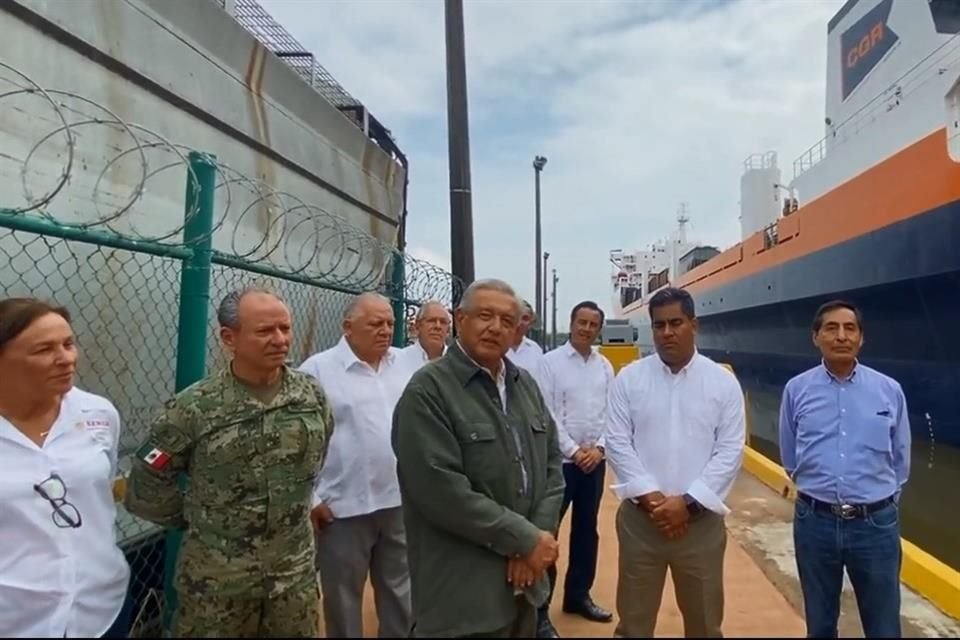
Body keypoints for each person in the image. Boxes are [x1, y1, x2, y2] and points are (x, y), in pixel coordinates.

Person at [124, 286, 334, 637]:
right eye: (265, 331)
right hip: (217, 586)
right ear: (229, 337)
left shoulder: (309, 395)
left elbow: (319, 454)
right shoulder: (195, 407)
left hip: (292, 580)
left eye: (285, 328)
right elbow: (147, 481)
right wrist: (203, 519)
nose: (280, 339)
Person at [391, 278, 565, 638]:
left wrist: (536, 537)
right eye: (485, 315)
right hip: (463, 597)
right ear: (460, 319)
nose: (495, 327)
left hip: (524, 590)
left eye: (506, 320)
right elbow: (441, 492)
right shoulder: (428, 391)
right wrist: (524, 540)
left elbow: (551, 468)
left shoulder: (525, 385)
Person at [604, 287, 745, 638]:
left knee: (704, 623)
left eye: (676, 323)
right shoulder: (630, 380)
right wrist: (654, 500)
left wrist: (688, 502)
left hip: (700, 527)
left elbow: (729, 451)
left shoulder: (722, 383)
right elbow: (618, 443)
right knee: (633, 624)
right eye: (659, 325)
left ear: (693, 325)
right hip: (641, 524)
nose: (667, 332)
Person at [0, 297, 131, 638]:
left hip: (101, 611)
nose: (66, 359)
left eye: (69, 344)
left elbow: (99, 489)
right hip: (15, 620)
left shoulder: (98, 414)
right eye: (44, 350)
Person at [779, 300, 911, 638]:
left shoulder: (888, 390)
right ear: (816, 337)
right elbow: (790, 452)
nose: (841, 336)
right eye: (831, 328)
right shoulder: (797, 390)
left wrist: (880, 501)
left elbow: (900, 457)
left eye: (849, 328)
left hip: (875, 525)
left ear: (861, 338)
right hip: (815, 522)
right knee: (820, 625)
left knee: (883, 626)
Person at [298, 292, 413, 638]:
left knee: (401, 595)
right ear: (348, 327)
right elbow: (297, 443)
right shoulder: (316, 371)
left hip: (398, 502)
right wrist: (311, 498)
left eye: (390, 323)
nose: (385, 330)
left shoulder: (404, 366)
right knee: (343, 600)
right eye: (375, 323)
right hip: (342, 509)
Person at [539, 301, 615, 636]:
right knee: (548, 533)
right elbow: (546, 412)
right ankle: (539, 610)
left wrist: (599, 448)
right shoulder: (550, 364)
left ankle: (578, 596)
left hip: (593, 465)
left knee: (587, 531)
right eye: (581, 322)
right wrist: (572, 450)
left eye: (593, 324)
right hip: (560, 464)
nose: (586, 329)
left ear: (599, 328)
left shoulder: (605, 366)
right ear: (571, 324)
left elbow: (613, 411)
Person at [397, 300, 451, 374]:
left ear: (448, 329)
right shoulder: (400, 360)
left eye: (443, 322)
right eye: (431, 321)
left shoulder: (457, 362)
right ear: (418, 325)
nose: (438, 326)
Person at [507, 299, 548, 391]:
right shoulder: (497, 346)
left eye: (525, 318)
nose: (520, 322)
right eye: (516, 317)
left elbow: (541, 385)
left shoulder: (535, 349)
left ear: (530, 323)